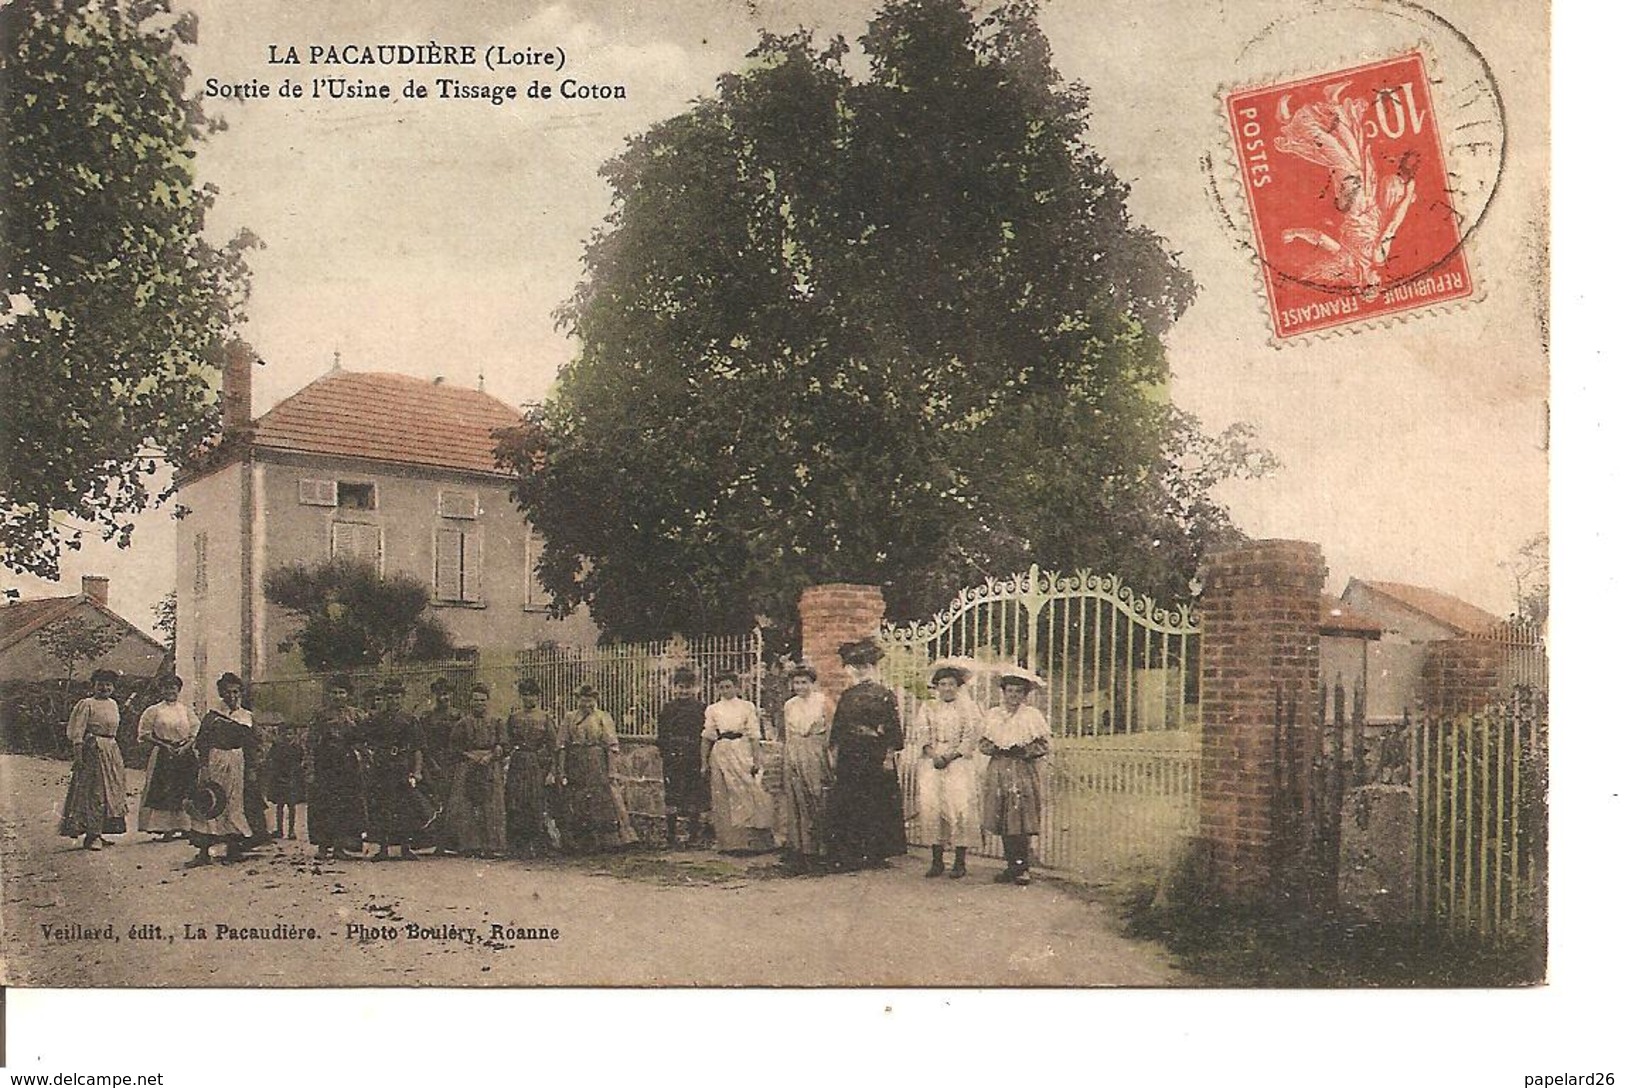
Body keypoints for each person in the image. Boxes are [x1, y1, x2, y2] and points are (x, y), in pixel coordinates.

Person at [826, 638, 907, 869]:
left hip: (875, 754)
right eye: (857, 666)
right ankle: (852, 851)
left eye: (866, 666)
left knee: (876, 802)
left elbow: (892, 727)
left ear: (874, 667)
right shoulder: (848, 695)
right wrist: (834, 753)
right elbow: (839, 727)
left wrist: (889, 756)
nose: (861, 670)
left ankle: (876, 853)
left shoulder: (885, 694)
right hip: (851, 755)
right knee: (851, 802)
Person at [979, 669, 1051, 886]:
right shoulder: (993, 714)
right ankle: (1011, 866)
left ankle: (1023, 867)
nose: (1013, 695)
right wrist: (995, 747)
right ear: (1003, 692)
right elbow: (982, 743)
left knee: (1019, 818)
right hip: (999, 768)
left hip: (1021, 769)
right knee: (1003, 818)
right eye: (1010, 691)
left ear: (1024, 695)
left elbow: (1043, 745)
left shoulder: (1032, 716)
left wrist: (1022, 750)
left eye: (1018, 692)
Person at [914, 664, 983, 879]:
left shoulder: (968, 709)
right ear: (936, 687)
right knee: (933, 809)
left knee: (959, 809)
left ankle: (959, 862)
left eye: (951, 685)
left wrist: (950, 757)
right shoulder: (928, 707)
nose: (946, 689)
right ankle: (937, 861)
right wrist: (934, 754)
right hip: (932, 762)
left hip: (958, 763)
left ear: (958, 686)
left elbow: (970, 737)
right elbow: (921, 733)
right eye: (942, 684)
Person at [701, 673, 776, 855]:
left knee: (747, 793)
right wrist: (704, 762)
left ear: (736, 687)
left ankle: (752, 842)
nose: (725, 690)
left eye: (729, 686)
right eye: (722, 687)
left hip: (741, 750)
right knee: (723, 795)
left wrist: (757, 759)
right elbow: (707, 736)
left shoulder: (746, 707)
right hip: (721, 751)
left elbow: (754, 735)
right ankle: (729, 843)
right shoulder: (713, 709)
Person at [184, 673, 255, 867]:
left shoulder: (247, 716)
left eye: (236, 692)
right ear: (221, 694)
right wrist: (204, 766)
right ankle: (204, 851)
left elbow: (252, 745)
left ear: (241, 693)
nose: (232, 696)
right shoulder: (213, 716)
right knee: (211, 802)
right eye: (227, 692)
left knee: (233, 802)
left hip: (237, 759)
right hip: (216, 758)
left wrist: (252, 768)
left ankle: (232, 848)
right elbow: (202, 742)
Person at [58, 669, 128, 850]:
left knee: (110, 792)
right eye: (100, 684)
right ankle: (92, 835)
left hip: (111, 750)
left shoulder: (113, 704)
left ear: (113, 687)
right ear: (93, 685)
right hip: (93, 750)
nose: (104, 688)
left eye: (108, 684)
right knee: (95, 792)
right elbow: (77, 732)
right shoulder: (87, 704)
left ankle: (99, 832)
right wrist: (78, 757)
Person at [557, 685, 629, 852]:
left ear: (596, 701)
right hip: (576, 760)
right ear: (577, 700)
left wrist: (612, 770)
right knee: (578, 797)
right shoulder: (570, 718)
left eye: (590, 700)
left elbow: (611, 745)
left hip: (597, 761)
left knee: (600, 798)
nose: (586, 704)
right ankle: (581, 840)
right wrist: (561, 770)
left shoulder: (603, 717)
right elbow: (561, 745)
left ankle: (604, 840)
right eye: (583, 700)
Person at [361, 679, 426, 861]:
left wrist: (417, 770)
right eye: (390, 698)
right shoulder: (375, 720)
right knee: (382, 806)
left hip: (402, 766)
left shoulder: (410, 720)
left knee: (404, 807)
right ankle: (383, 849)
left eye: (397, 697)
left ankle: (406, 848)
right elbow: (361, 740)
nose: (394, 701)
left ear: (402, 698)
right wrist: (370, 756)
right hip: (382, 766)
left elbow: (418, 748)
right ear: (384, 699)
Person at [441, 682, 507, 858]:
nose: (479, 704)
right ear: (470, 702)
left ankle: (491, 845)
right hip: (468, 765)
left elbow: (504, 744)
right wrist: (471, 757)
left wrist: (493, 754)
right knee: (466, 806)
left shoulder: (497, 721)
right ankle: (469, 844)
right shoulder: (462, 723)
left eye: (483, 700)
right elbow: (454, 748)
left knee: (491, 805)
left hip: (490, 765)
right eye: (476, 700)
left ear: (488, 702)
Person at [780, 663, 832, 872]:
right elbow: (788, 734)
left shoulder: (823, 702)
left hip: (816, 753)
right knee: (796, 800)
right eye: (796, 683)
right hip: (794, 753)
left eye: (804, 682)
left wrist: (828, 758)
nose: (800, 687)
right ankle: (801, 849)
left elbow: (830, 732)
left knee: (817, 798)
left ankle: (821, 849)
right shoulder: (789, 705)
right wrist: (788, 757)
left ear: (813, 682)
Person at [306, 676, 366, 861]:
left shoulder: (357, 715)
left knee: (345, 806)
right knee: (324, 806)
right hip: (325, 765)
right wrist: (310, 768)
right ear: (329, 694)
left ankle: (340, 846)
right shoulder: (320, 715)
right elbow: (311, 742)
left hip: (348, 765)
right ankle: (323, 847)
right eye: (334, 692)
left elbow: (363, 740)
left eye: (342, 692)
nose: (338, 696)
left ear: (348, 695)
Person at [135, 674, 199, 839]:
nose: (170, 691)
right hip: (164, 752)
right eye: (166, 687)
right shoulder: (154, 710)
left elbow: (195, 732)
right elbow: (144, 734)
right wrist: (165, 745)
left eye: (173, 687)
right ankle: (166, 828)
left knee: (185, 787)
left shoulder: (186, 710)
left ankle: (185, 826)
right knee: (164, 788)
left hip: (184, 753)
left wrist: (185, 747)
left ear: (178, 690)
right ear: (161, 690)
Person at [504, 678, 559, 859]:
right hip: (518, 763)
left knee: (535, 802)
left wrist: (552, 771)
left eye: (532, 695)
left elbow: (553, 746)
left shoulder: (545, 718)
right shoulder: (514, 717)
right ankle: (518, 845)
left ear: (538, 697)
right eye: (525, 695)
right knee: (515, 802)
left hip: (536, 763)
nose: (529, 699)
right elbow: (508, 743)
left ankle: (537, 844)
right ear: (521, 697)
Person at [654, 667, 708, 848]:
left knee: (694, 794)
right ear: (673, 687)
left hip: (693, 755)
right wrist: (666, 752)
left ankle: (693, 835)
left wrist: (701, 755)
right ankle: (671, 835)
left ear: (695, 688)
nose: (683, 691)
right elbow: (661, 734)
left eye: (687, 687)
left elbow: (705, 735)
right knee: (672, 795)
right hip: (673, 756)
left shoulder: (701, 708)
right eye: (680, 687)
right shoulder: (668, 708)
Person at [264, 717, 307, 839]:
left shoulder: (297, 747)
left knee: (292, 806)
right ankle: (280, 829)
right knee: (280, 805)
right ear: (281, 734)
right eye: (285, 734)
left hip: (292, 778)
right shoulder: (277, 747)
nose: (288, 737)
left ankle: (291, 830)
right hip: (279, 778)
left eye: (291, 734)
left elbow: (300, 761)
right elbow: (271, 761)